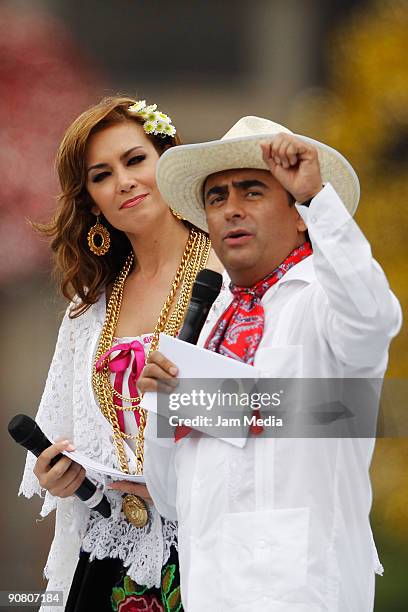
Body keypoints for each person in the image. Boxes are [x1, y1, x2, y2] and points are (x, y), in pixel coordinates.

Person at [138, 116, 402, 611]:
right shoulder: (210, 321)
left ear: (299, 214)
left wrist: (318, 197)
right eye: (216, 198)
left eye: (252, 192)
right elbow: (172, 496)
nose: (231, 210)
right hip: (211, 592)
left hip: (305, 594)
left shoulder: (323, 298)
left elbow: (374, 317)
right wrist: (161, 413)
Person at [19, 95, 222, 612]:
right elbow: (79, 431)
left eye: (136, 160)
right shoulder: (89, 308)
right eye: (101, 175)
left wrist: (174, 472)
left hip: (212, 553)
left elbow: (290, 412)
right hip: (111, 552)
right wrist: (64, 475)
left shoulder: (230, 275)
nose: (125, 181)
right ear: (91, 202)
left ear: (168, 163)